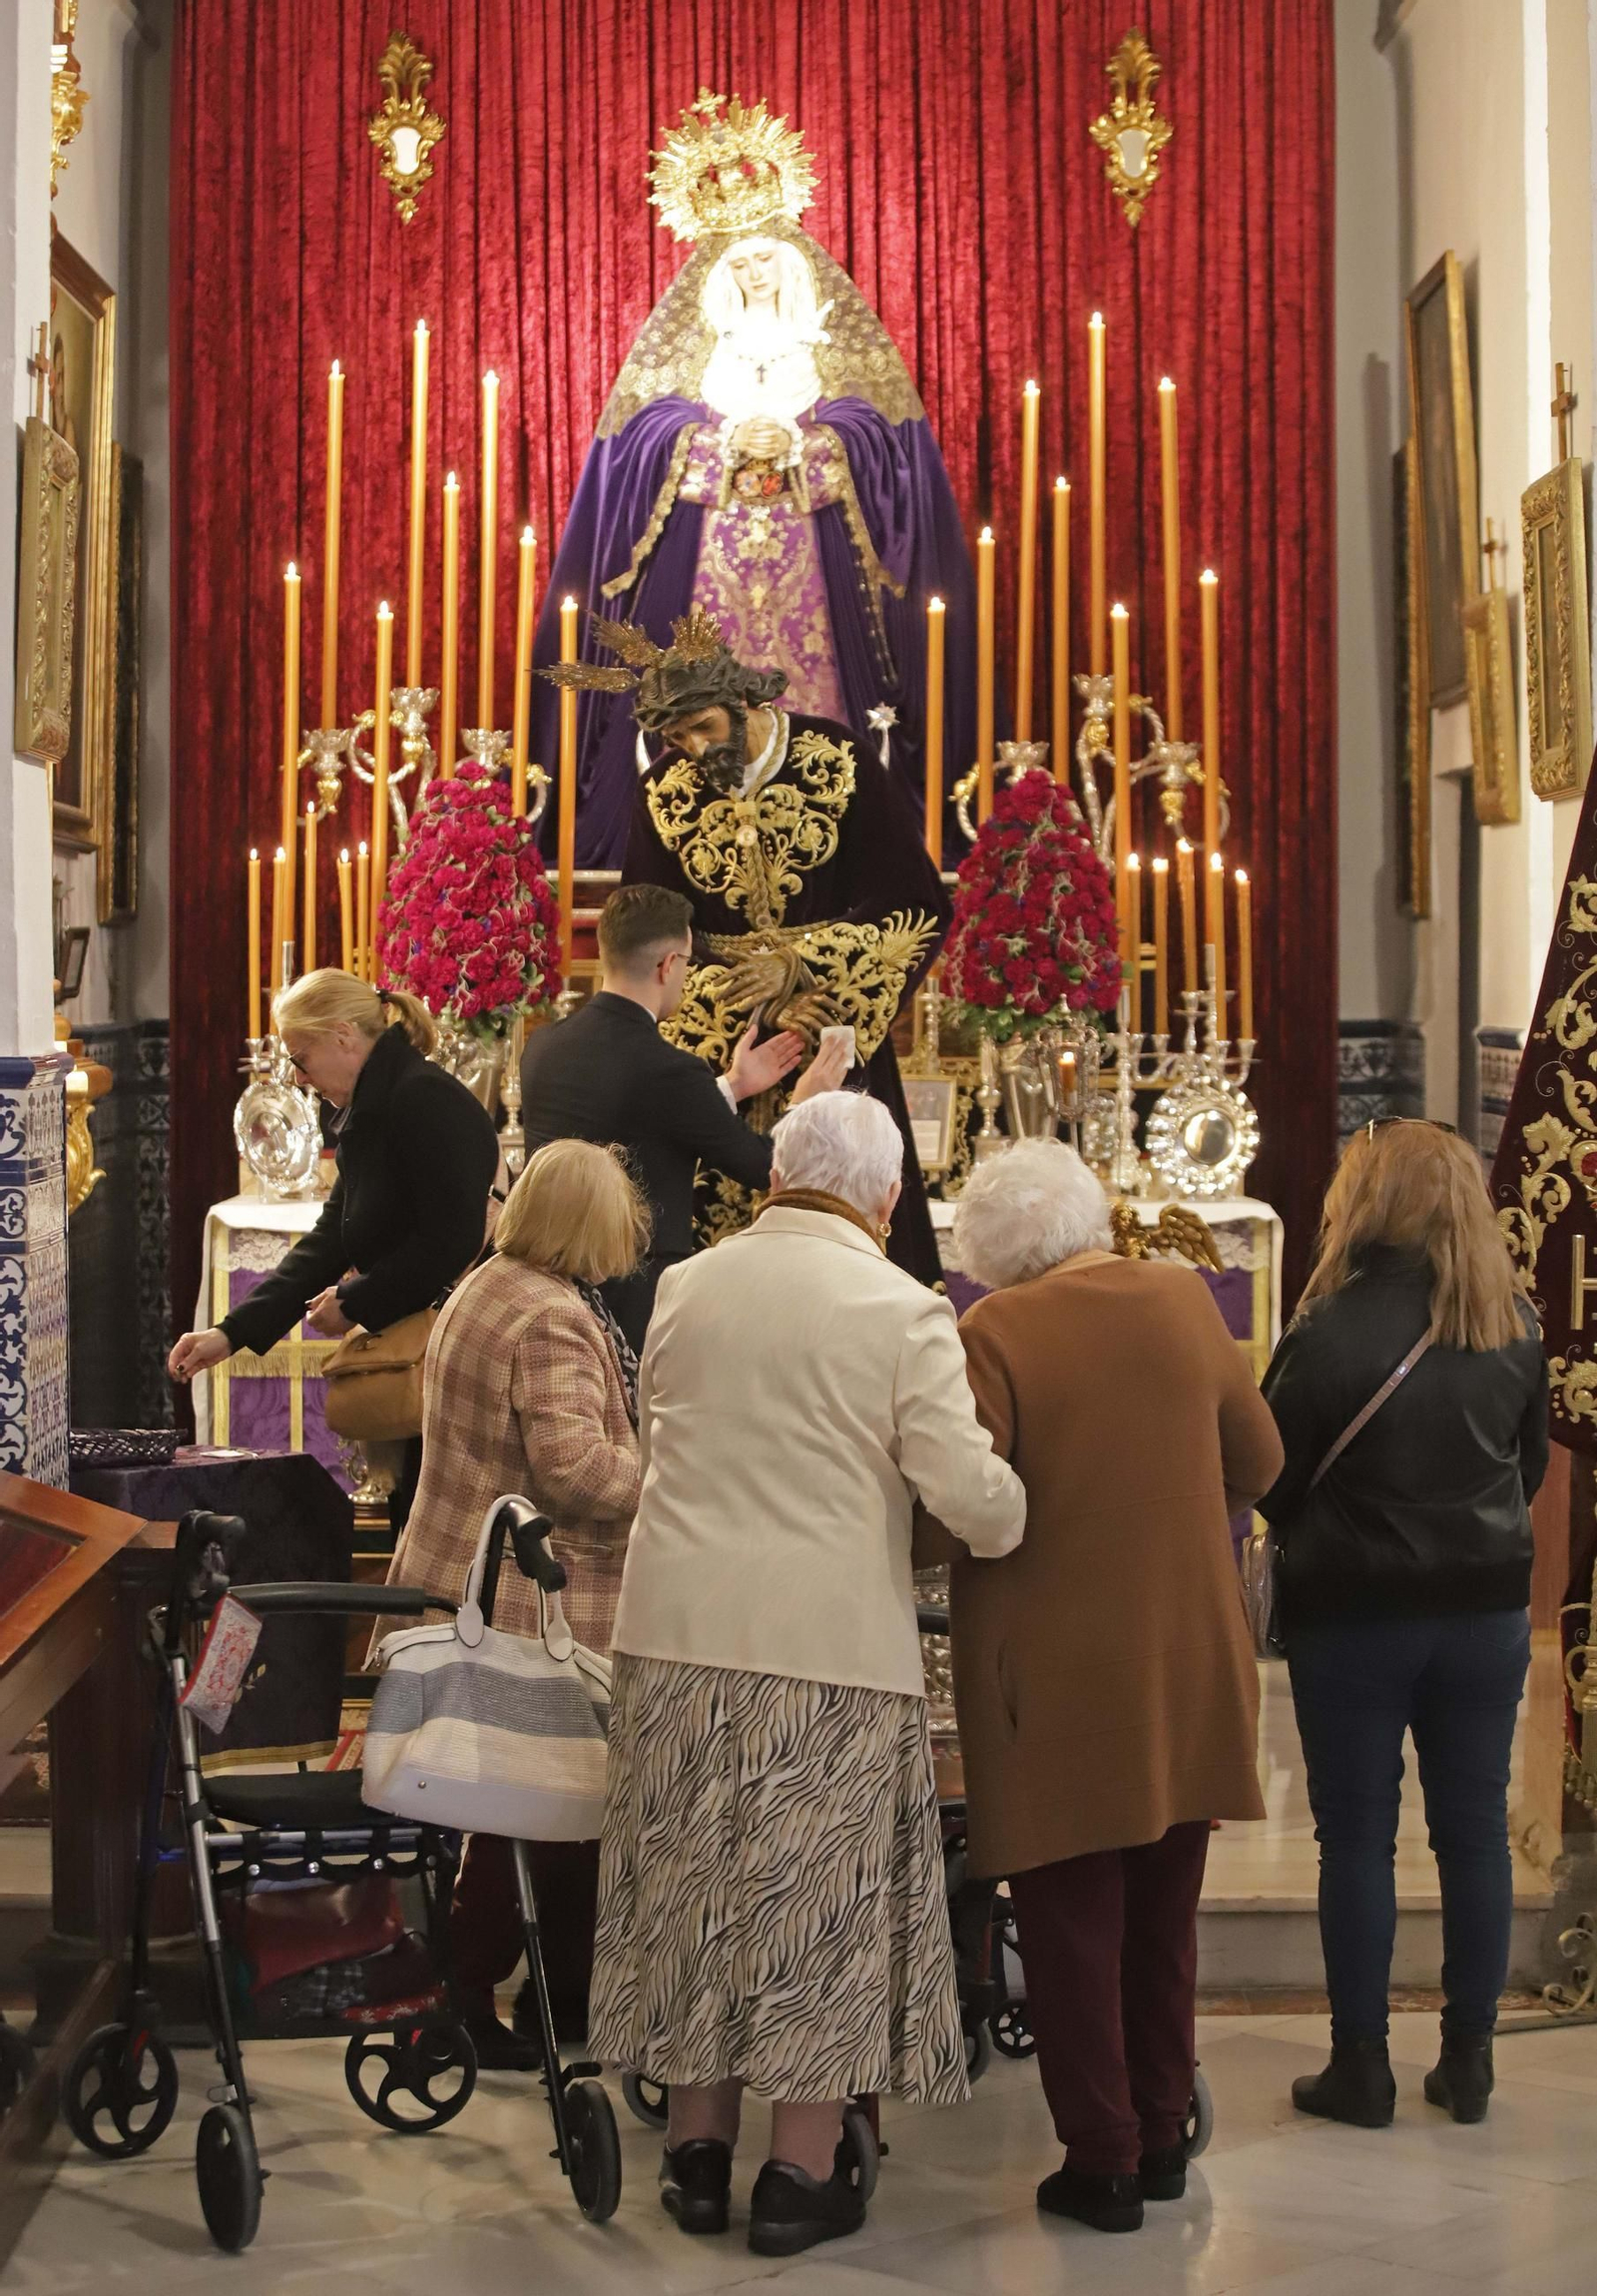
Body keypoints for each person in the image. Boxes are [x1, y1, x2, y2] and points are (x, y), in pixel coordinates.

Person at [589, 1092, 1025, 2257]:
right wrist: (1017, 1511)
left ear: (774, 1174)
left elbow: (661, 1427)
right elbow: (962, 1485)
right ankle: (797, 2171)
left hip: (673, 1631)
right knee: (810, 1912)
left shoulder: (687, 1283)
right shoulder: (900, 1305)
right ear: (885, 1197)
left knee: (692, 1889)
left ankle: (692, 2155)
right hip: (824, 1646)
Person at [933, 1141, 1284, 2236]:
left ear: (989, 1251)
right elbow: (1262, 1462)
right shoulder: (1183, 1300)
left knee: (1071, 1916)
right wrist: (1173, 1508)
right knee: (1162, 1911)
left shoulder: (995, 1330)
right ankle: (1166, 2127)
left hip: (1055, 1660)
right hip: (1185, 1648)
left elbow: (967, 1497)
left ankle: (1104, 2157)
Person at [529, 92, 980, 863]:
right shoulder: (701, 354)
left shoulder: (828, 346)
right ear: (720, 273)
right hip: (709, 566)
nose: (755, 273)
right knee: (702, 709)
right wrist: (718, 441)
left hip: (814, 564)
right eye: (739, 263)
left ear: (792, 260)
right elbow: (639, 442)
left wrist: (812, 446)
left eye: (766, 257)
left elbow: (884, 447)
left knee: (826, 713)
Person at [1260, 1119, 1549, 2129]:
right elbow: (1529, 1470)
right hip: (1484, 1610)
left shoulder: (1326, 1329)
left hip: (1354, 1611)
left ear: (1364, 1200)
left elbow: (1270, 1476)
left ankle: (1362, 2066)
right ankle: (1468, 2056)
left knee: (1357, 1836)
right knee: (1474, 1830)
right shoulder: (1507, 1318)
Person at [549, 607, 951, 1286]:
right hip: (716, 1050)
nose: (697, 752)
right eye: (678, 738)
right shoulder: (662, 795)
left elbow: (914, 903)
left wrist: (801, 970)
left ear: (742, 699)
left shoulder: (839, 760)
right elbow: (648, 935)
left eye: (704, 728)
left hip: (831, 1031)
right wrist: (740, 1002)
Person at [383, 1138, 648, 2068]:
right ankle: (473, 1991)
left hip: (462, 1568)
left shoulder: (487, 1281)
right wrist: (675, 1478)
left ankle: (552, 1993)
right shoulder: (550, 1317)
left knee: (534, 1807)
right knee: (544, 1807)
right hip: (526, 1600)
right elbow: (573, 1471)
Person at [168, 971, 499, 1532]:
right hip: (427, 1339)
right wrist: (231, 1332)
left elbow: (451, 1241)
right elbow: (332, 1237)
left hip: (468, 1346)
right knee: (413, 1523)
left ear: (344, 1036)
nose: (299, 1077)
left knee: (446, 1535)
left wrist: (355, 1301)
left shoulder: (420, 1099)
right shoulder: (373, 1104)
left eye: (302, 1057)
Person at [520, 882, 848, 1352]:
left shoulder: (543, 1048)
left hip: (547, 1287)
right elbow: (765, 1167)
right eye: (688, 963)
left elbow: (633, 1114)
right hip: (633, 1299)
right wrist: (806, 1102)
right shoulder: (670, 1069)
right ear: (668, 964)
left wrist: (732, 1086)